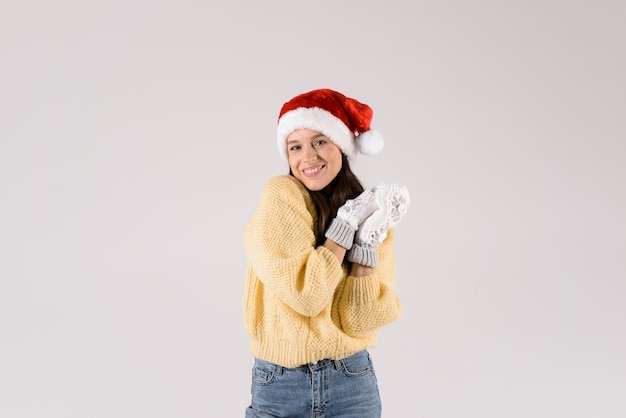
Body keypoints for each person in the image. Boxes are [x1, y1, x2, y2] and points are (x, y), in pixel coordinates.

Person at [243, 88, 410, 417]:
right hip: (281, 384)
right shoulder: (281, 195)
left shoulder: (374, 217)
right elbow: (306, 295)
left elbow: (358, 320)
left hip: (351, 380)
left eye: (320, 141)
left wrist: (363, 249)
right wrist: (344, 227)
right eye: (296, 147)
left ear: (343, 147)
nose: (308, 157)